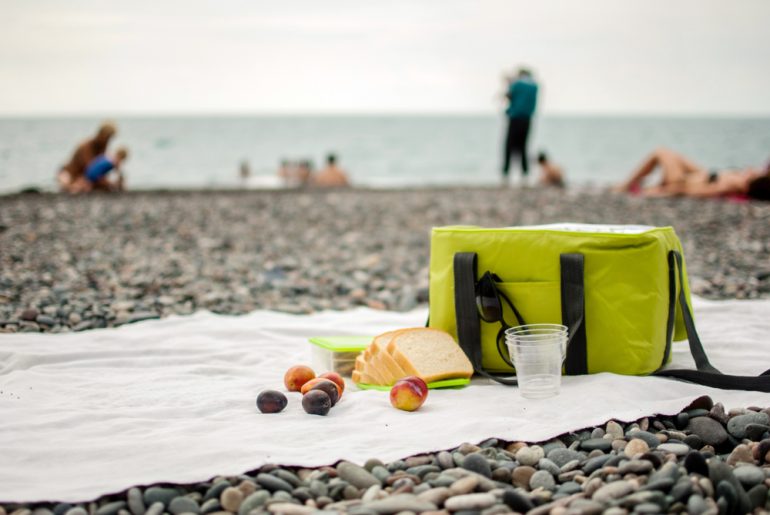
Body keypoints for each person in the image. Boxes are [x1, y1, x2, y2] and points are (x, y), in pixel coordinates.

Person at [614, 147, 770, 200]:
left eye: (754, 172)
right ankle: (627, 186)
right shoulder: (742, 181)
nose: (751, 169)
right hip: (698, 175)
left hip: (682, 182)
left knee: (661, 152)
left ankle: (625, 186)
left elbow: (704, 191)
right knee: (672, 155)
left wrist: (667, 191)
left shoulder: (737, 184)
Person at [502, 67, 538, 186]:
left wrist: (509, 83)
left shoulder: (516, 84)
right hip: (527, 119)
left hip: (515, 118)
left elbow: (509, 96)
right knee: (523, 147)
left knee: (509, 146)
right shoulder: (534, 86)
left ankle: (505, 174)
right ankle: (525, 175)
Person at [58, 122, 117, 193]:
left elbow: (98, 170)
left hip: (84, 177)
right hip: (70, 174)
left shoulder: (102, 148)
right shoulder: (86, 146)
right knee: (71, 182)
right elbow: (90, 168)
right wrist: (106, 182)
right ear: (101, 135)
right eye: (107, 138)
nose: (108, 141)